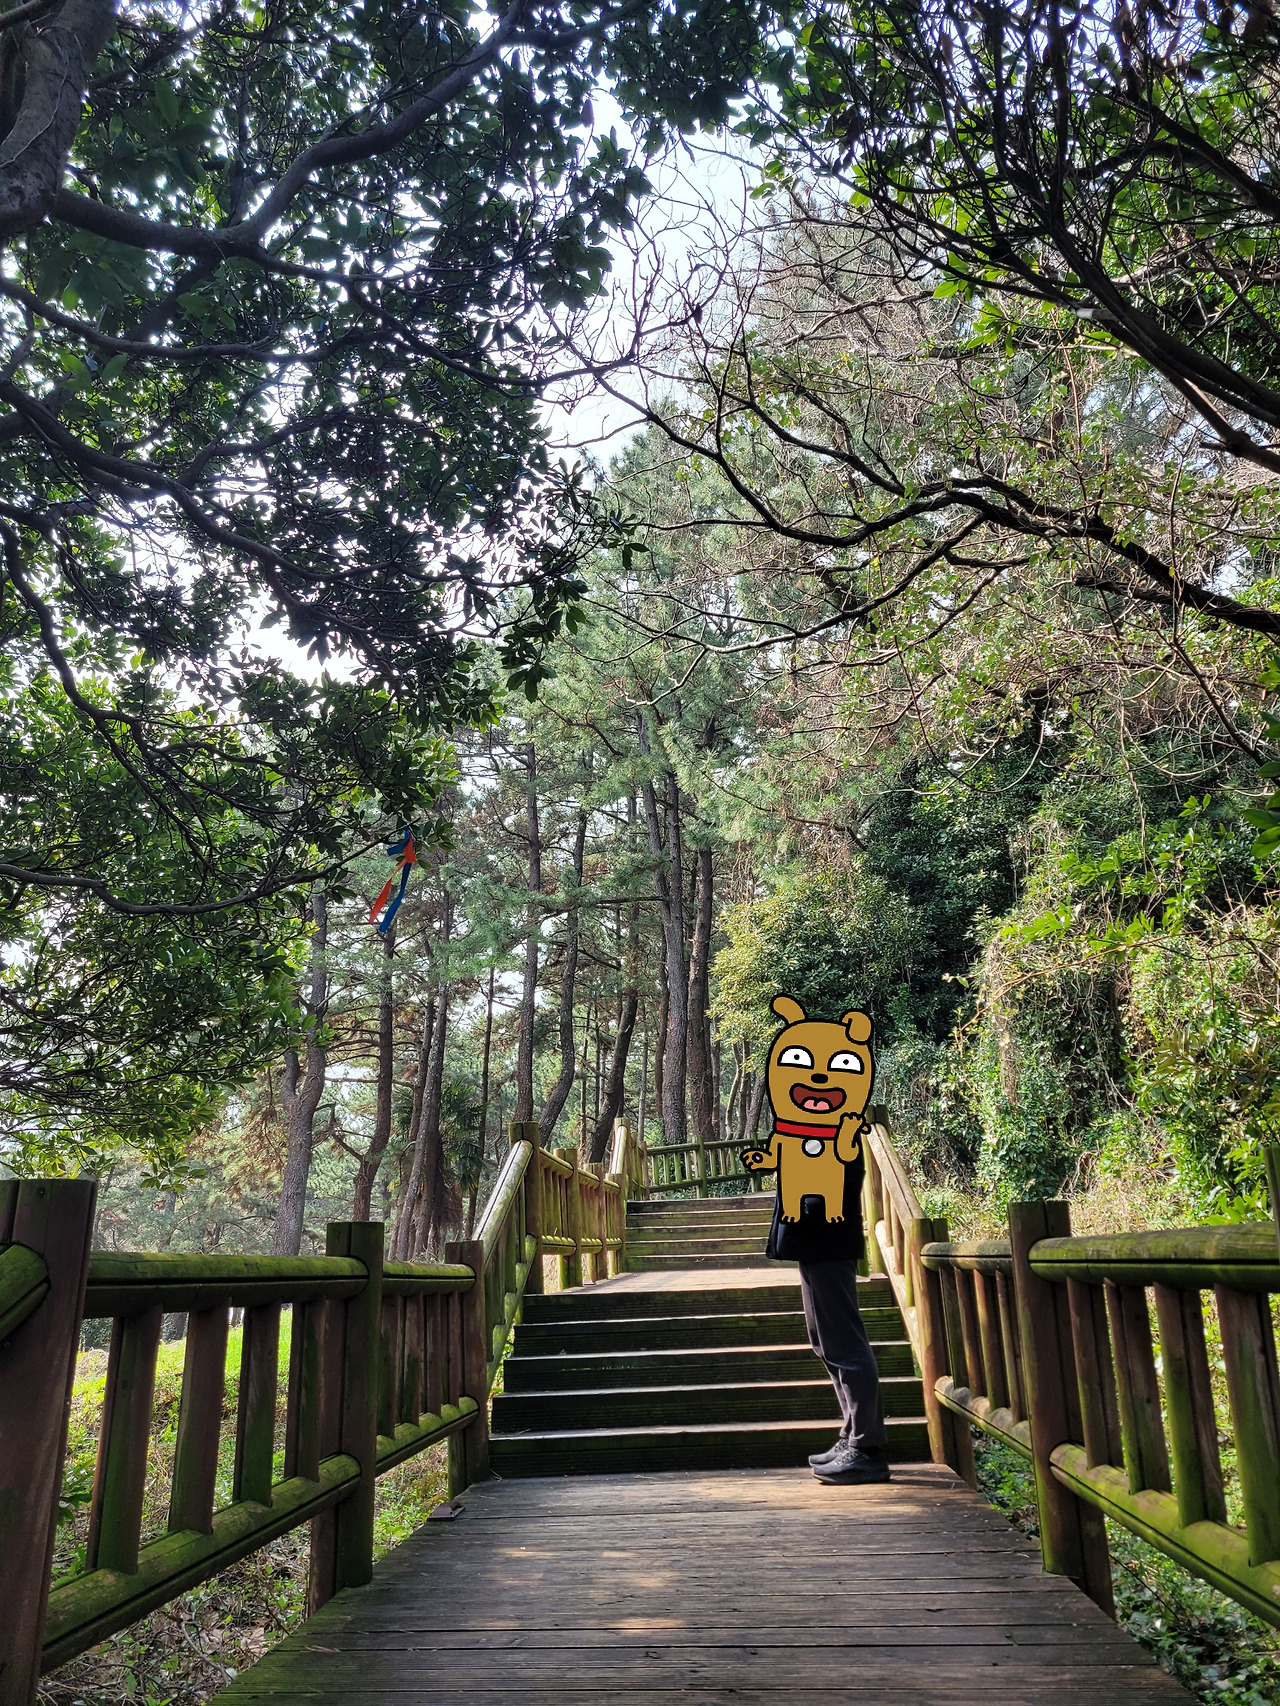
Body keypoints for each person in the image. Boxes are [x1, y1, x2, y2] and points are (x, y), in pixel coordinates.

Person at [741, 995, 890, 1485]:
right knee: (823, 1341)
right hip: (813, 1245)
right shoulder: (805, 1128)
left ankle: (867, 1448)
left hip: (828, 1242)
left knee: (843, 1341)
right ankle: (851, 1435)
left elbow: (837, 1176)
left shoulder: (844, 1130)